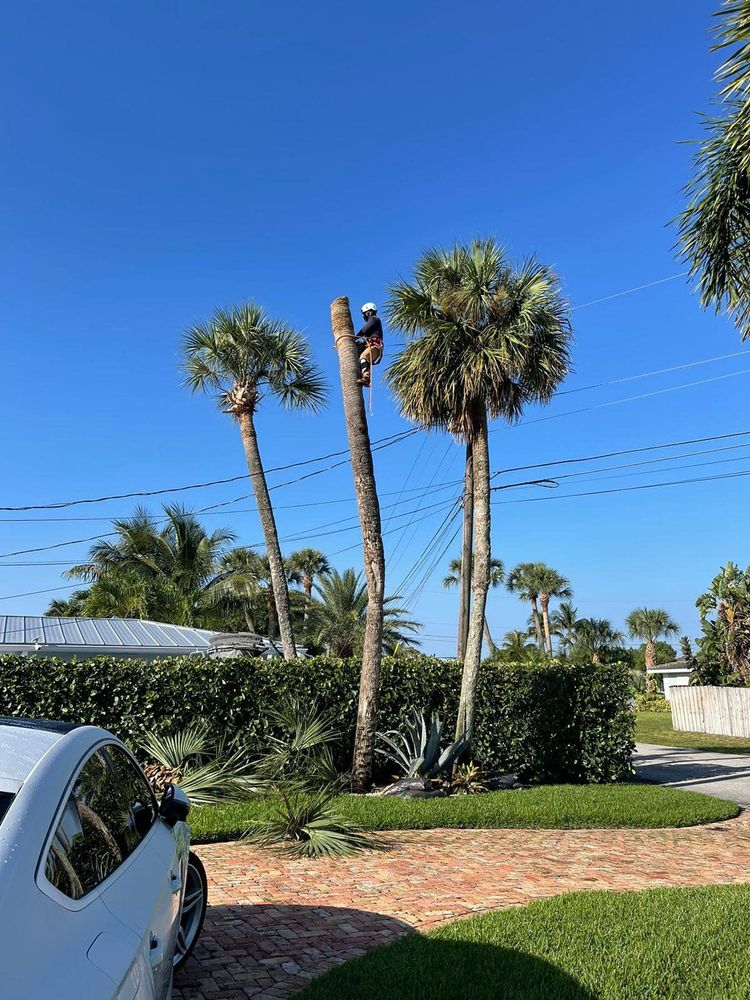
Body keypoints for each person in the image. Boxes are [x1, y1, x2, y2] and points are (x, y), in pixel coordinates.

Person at [355, 302, 383, 387]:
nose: (364, 316)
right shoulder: (375, 320)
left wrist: (355, 337)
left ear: (368, 312)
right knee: (361, 358)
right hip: (373, 347)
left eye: (364, 314)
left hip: (374, 346)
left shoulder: (374, 319)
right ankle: (363, 376)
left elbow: (366, 329)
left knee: (363, 356)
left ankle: (366, 377)